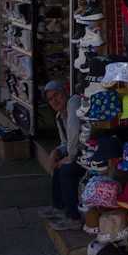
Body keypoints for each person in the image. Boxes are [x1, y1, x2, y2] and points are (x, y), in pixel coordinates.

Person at [40, 80, 84, 221]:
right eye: (51, 99)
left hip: (90, 153)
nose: (55, 101)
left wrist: (69, 157)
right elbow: (65, 142)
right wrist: (56, 152)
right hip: (79, 153)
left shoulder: (74, 102)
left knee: (66, 169)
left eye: (57, 95)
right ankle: (59, 207)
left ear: (64, 92)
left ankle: (73, 218)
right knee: (58, 165)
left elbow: (74, 131)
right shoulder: (59, 116)